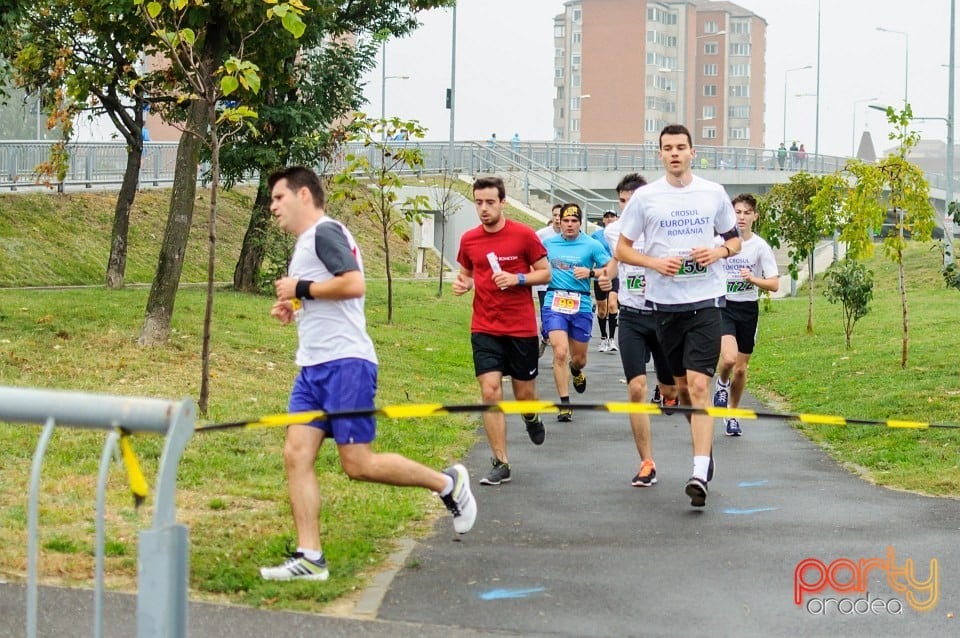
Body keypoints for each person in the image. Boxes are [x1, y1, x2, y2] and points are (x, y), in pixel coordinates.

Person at [261, 166, 476, 581]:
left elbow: (354, 284)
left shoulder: (324, 233)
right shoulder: (309, 241)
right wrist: (295, 305)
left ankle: (447, 483)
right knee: (296, 454)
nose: (272, 208)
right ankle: (310, 557)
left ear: (304, 195)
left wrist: (300, 289)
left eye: (278, 198)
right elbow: (329, 293)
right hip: (312, 367)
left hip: (345, 365)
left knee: (357, 463)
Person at [615, 124, 741, 508]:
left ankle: (699, 470)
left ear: (692, 152)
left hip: (705, 302)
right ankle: (705, 450)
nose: (674, 153)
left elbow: (733, 239)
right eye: (667, 148)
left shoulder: (713, 192)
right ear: (659, 154)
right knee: (682, 391)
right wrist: (654, 262)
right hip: (664, 308)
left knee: (700, 388)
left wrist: (716, 253)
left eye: (680, 147)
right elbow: (622, 249)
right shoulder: (646, 198)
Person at [453, 176, 552, 486]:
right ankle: (501, 461)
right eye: (478, 202)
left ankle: (531, 415)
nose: (483, 209)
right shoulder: (469, 240)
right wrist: (463, 283)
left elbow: (545, 272)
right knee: (490, 390)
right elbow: (467, 273)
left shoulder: (524, 236)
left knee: (524, 393)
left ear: (503, 202)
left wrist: (517, 279)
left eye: (490, 202)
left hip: (520, 326)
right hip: (484, 326)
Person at [604, 173, 678, 488]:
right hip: (632, 317)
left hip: (663, 315)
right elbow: (616, 259)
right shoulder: (613, 231)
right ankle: (647, 462)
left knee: (672, 390)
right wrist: (608, 281)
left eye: (631, 201)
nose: (626, 208)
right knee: (636, 389)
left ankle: (668, 393)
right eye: (621, 201)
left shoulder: (666, 229)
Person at [713, 193, 779, 436]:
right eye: (737, 212)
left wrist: (753, 279)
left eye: (746, 212)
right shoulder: (719, 242)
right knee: (728, 359)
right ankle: (721, 383)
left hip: (748, 309)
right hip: (723, 306)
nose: (741, 217)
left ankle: (733, 413)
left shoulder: (760, 247)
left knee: (740, 369)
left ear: (755, 216)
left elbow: (774, 284)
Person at [541, 202, 611, 422]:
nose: (569, 225)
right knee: (560, 352)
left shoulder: (591, 245)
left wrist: (591, 272)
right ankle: (564, 403)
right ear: (558, 222)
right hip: (554, 301)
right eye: (565, 221)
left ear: (580, 223)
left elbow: (610, 269)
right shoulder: (548, 243)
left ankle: (576, 370)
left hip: (580, 303)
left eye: (574, 221)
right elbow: (534, 265)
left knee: (578, 359)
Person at [535, 204, 563, 356]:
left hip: (562, 284)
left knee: (559, 317)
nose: (558, 219)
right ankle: (545, 339)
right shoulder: (542, 234)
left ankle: (559, 353)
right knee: (547, 317)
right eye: (555, 215)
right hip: (544, 284)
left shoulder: (571, 235)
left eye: (560, 215)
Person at [590, 210, 620, 353]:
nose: (609, 219)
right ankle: (603, 338)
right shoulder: (596, 236)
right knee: (602, 310)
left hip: (616, 274)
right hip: (600, 275)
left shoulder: (621, 233)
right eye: (607, 217)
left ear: (617, 218)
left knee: (613, 304)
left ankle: (612, 339)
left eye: (612, 217)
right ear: (603, 219)